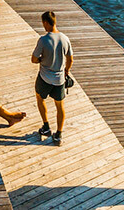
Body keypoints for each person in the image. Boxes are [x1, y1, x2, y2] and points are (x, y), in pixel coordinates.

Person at [31, 10, 73, 145]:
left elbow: (33, 59)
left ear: (45, 23)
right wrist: (66, 70)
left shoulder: (43, 40)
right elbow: (70, 59)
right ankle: (59, 134)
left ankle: (46, 127)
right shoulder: (65, 39)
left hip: (44, 77)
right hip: (59, 79)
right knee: (60, 106)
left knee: (40, 98)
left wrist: (41, 60)